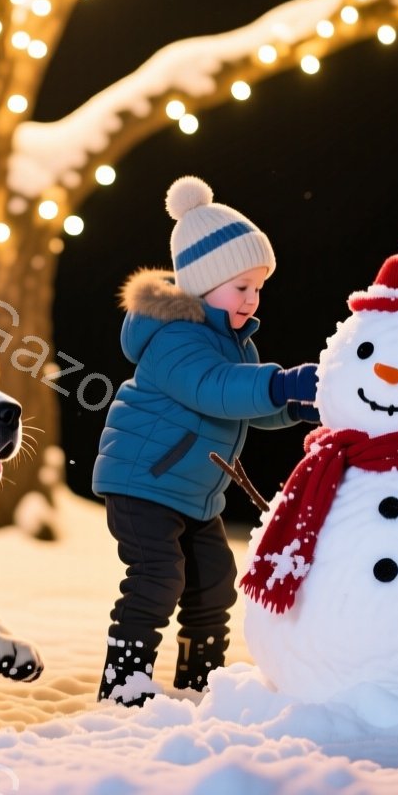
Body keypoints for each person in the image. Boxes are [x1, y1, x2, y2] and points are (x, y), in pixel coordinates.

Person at [91, 175, 318, 706]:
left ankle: (201, 684)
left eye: (258, 287)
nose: (252, 299)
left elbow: (247, 407)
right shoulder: (175, 338)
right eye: (242, 288)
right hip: (143, 482)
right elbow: (215, 391)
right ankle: (123, 685)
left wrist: (293, 407)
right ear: (201, 284)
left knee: (214, 581)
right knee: (156, 579)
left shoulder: (233, 343)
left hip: (191, 492)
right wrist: (280, 381)